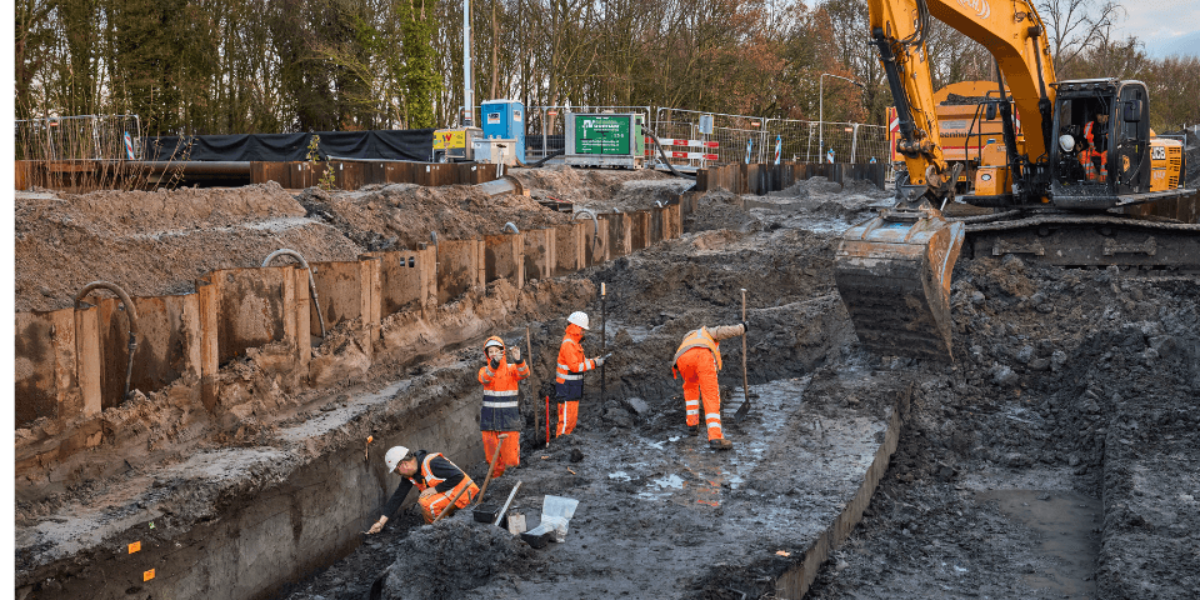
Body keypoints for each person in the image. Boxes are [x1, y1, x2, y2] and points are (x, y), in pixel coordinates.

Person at [672, 323, 747, 451]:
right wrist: (742, 328)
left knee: (690, 389)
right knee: (710, 395)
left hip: (682, 359)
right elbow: (724, 331)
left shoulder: (688, 338)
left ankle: (692, 425)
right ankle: (715, 437)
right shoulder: (706, 332)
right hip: (701, 357)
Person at [366, 446, 479, 531]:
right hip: (450, 495)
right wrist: (381, 522)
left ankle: (436, 530)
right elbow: (398, 496)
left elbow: (458, 475)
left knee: (426, 502)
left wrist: (435, 490)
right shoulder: (410, 475)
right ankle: (440, 523)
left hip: (465, 494)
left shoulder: (432, 462)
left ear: (403, 464)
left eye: (396, 471)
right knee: (426, 499)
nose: (398, 474)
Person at [478, 336, 528, 478]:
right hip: (489, 423)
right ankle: (496, 486)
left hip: (509, 421)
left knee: (511, 458)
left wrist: (519, 359)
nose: (493, 353)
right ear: (486, 354)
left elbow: (525, 373)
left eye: (496, 350)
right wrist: (494, 364)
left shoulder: (512, 369)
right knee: (492, 460)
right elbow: (484, 379)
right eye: (491, 351)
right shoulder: (484, 370)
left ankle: (511, 483)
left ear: (502, 352)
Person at [554, 311, 608, 437]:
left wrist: (595, 361)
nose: (584, 332)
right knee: (566, 421)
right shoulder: (568, 344)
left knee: (572, 420)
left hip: (573, 387)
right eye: (583, 329)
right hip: (566, 388)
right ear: (576, 327)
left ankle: (565, 445)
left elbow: (581, 362)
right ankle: (559, 446)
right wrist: (594, 363)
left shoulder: (575, 343)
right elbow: (574, 367)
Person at [1081, 112, 1109, 183]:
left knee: (1106, 155)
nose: (1100, 117)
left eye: (1103, 115)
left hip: (1107, 150)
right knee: (1082, 154)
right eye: (1099, 114)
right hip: (1093, 150)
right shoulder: (1089, 125)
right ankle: (1092, 178)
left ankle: (1104, 180)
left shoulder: (1114, 125)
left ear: (1108, 116)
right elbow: (1084, 139)